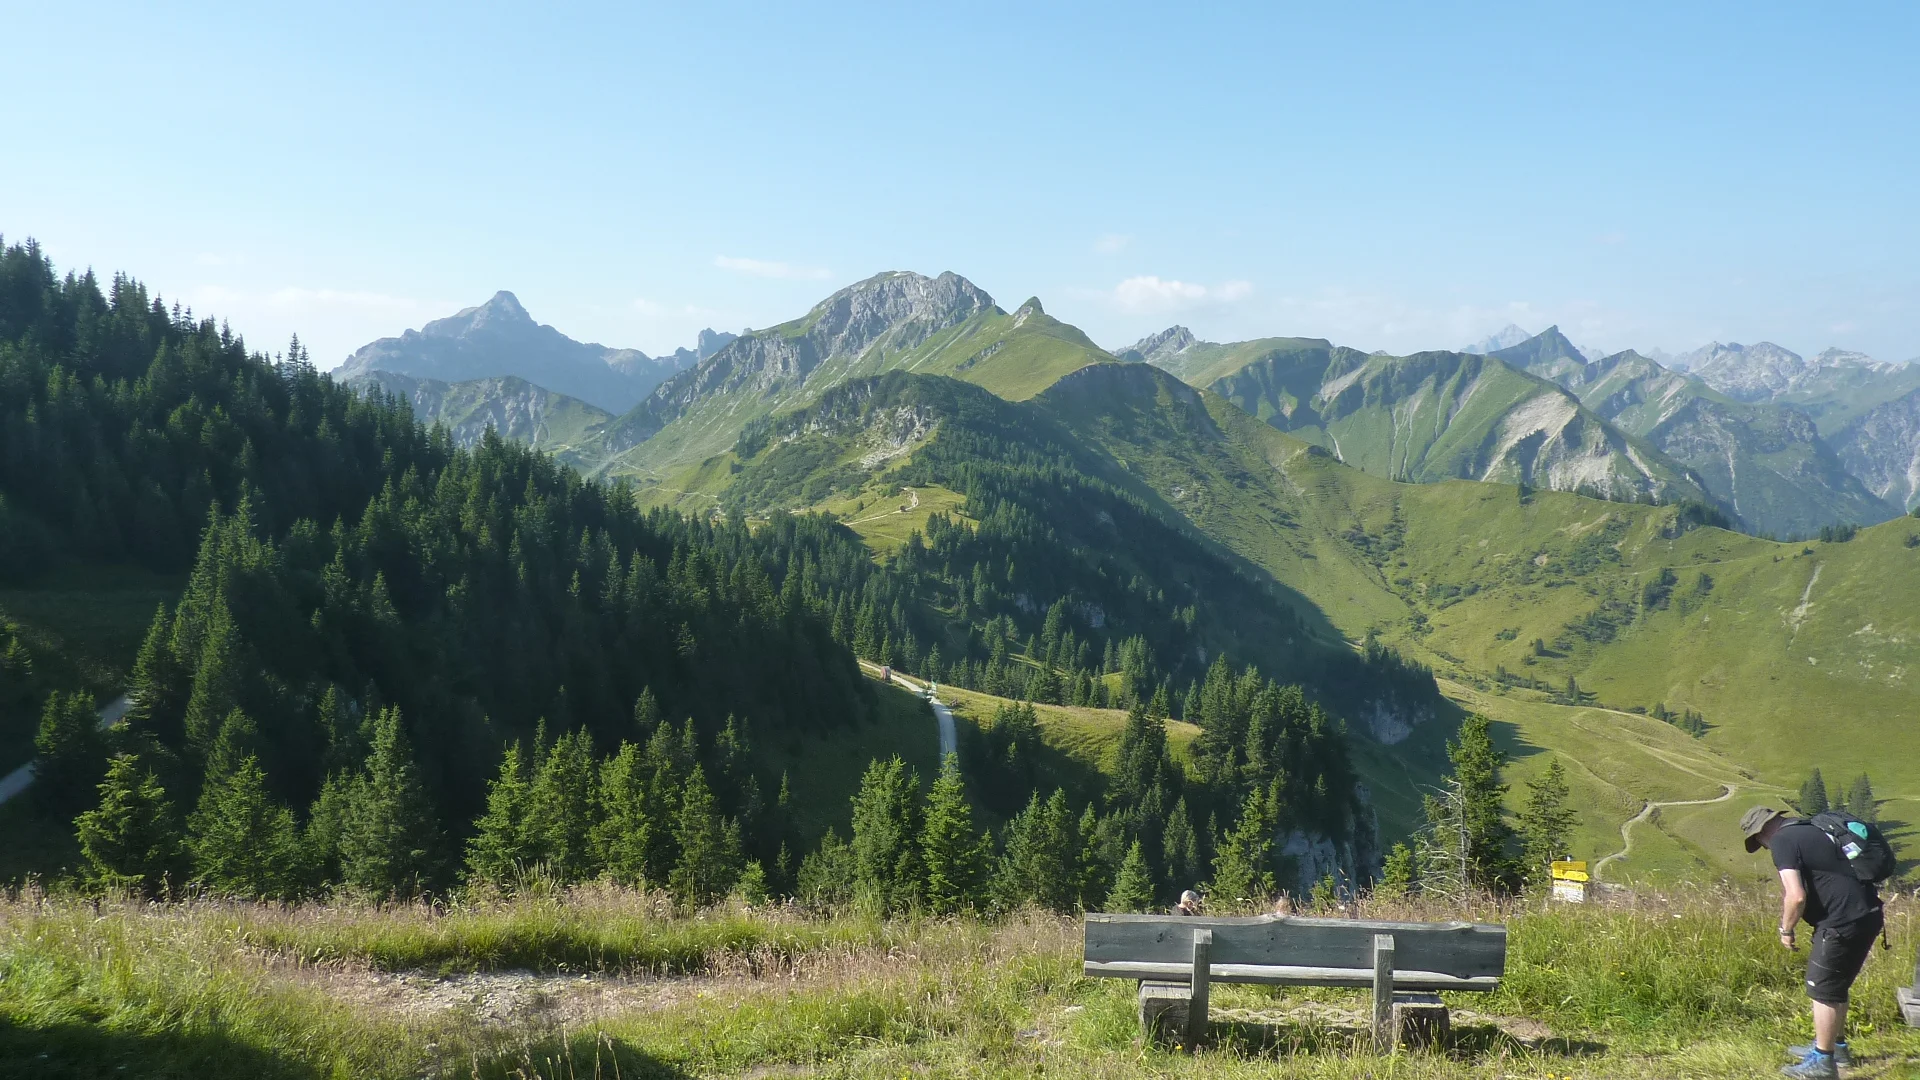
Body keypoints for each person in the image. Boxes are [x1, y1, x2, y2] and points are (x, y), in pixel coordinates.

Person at [1741, 805, 1885, 1078]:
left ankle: (1823, 1061)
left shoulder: (1782, 841)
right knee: (1836, 986)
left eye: (1758, 841)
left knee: (1822, 990)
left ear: (1762, 832)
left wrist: (1786, 929)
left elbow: (1795, 896)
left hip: (1840, 921)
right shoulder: (1816, 830)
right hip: (1867, 913)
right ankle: (1836, 1046)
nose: (1762, 846)